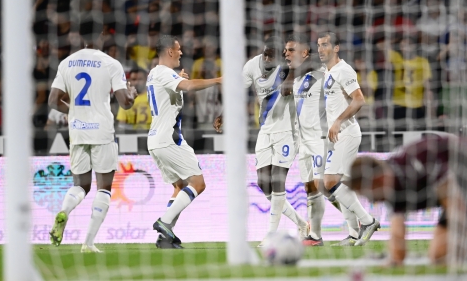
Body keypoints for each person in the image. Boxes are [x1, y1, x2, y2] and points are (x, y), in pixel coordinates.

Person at [347, 136, 467, 265]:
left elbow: (454, 203)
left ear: (376, 180)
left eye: (364, 192)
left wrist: (460, 240)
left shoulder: (415, 160)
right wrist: (393, 261)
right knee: (439, 255)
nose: (369, 200)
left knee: (454, 252)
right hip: (466, 191)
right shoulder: (391, 188)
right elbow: (398, 240)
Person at [48, 22, 137, 253]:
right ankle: (87, 243)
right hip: (102, 131)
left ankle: (64, 212)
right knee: (104, 188)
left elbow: (52, 100)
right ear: (101, 34)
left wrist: (75, 112)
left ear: (79, 36)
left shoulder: (66, 63)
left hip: (77, 130)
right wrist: (132, 95)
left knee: (81, 185)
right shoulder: (111, 63)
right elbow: (125, 104)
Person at [213, 36, 309, 244]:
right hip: (265, 130)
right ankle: (301, 222)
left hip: (287, 131)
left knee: (277, 180)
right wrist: (223, 114)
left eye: (271, 55)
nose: (266, 58)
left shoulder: (289, 67)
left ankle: (272, 235)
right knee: (264, 183)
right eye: (265, 53)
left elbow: (302, 71)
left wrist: (291, 74)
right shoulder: (251, 66)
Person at [147, 35, 222, 249]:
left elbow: (172, 92)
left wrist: (176, 77)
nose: (181, 53)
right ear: (170, 51)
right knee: (198, 184)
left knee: (179, 187)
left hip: (155, 140)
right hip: (170, 140)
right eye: (178, 49)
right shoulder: (163, 72)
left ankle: (165, 238)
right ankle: (164, 222)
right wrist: (217, 80)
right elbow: (188, 86)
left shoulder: (155, 73)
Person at [318, 32, 380, 246]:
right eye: (318, 45)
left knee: (329, 182)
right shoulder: (327, 72)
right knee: (335, 184)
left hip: (348, 132)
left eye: (325, 45)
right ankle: (353, 233)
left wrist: (337, 121)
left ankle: (368, 221)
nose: (320, 49)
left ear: (336, 48)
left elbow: (359, 99)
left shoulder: (344, 70)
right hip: (337, 135)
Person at [282, 34, 327, 246]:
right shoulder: (296, 79)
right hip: (303, 143)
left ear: (305, 52)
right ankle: (314, 236)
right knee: (310, 188)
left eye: (291, 50)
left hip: (320, 139)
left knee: (325, 186)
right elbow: (284, 92)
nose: (286, 54)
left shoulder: (322, 75)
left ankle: (358, 222)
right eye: (285, 50)